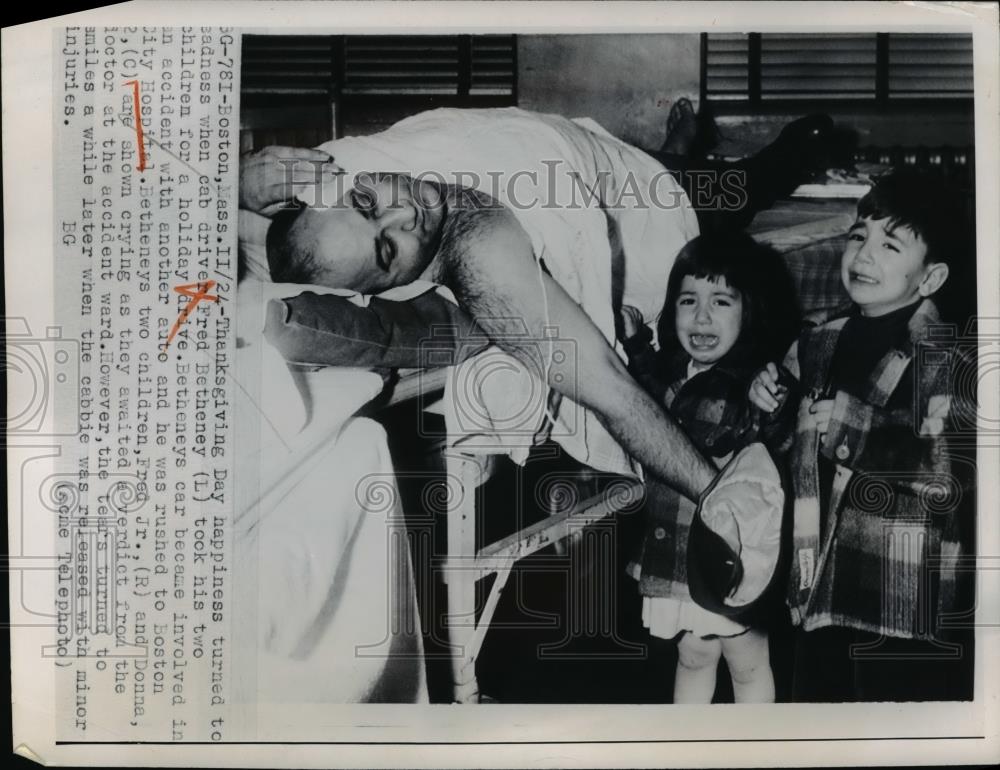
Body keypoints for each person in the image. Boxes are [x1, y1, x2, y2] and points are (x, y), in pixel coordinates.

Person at [748, 167, 975, 702]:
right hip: (815, 575)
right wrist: (771, 407)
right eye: (858, 236)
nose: (864, 254)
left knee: (895, 723)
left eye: (890, 244)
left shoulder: (948, 359)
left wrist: (852, 427)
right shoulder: (815, 343)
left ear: (931, 278)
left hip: (900, 590)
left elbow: (950, 472)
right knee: (816, 715)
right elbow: (789, 451)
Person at [621, 233, 799, 703]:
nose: (701, 317)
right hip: (676, 553)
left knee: (747, 662)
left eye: (721, 301)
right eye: (688, 300)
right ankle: (689, 746)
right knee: (693, 655)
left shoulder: (751, 383)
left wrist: (773, 402)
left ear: (750, 311)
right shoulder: (673, 373)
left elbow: (777, 437)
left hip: (728, 556)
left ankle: (752, 749)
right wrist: (636, 340)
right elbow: (643, 394)